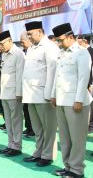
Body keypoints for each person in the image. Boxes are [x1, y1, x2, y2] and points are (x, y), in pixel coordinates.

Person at [51, 23, 92, 178]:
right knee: (65, 137)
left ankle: (77, 170)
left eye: (61, 40)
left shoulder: (81, 53)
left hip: (76, 101)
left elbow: (83, 78)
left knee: (77, 138)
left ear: (70, 37)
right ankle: (67, 166)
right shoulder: (62, 53)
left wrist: (79, 100)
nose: (59, 43)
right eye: (57, 41)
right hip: (62, 100)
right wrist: (54, 95)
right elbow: (58, 77)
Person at [22, 21, 59, 167]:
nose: (29, 37)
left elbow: (52, 71)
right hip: (30, 94)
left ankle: (48, 155)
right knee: (37, 128)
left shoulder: (50, 47)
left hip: (44, 94)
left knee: (48, 128)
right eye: (28, 34)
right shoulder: (32, 48)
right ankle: (38, 152)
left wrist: (50, 94)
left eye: (30, 34)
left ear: (39, 31)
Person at [0, 30, 25, 157]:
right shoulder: (4, 54)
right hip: (4, 92)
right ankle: (10, 144)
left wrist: (19, 93)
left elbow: (20, 75)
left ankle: (17, 146)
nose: (0, 47)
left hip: (14, 93)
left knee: (16, 120)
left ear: (10, 41)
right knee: (8, 120)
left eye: (2, 44)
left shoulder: (18, 54)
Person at [19, 31, 35, 137]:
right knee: (26, 109)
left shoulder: (33, 51)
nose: (21, 44)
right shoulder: (23, 51)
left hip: (33, 87)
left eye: (23, 41)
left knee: (32, 111)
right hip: (24, 86)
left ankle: (33, 129)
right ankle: (29, 127)